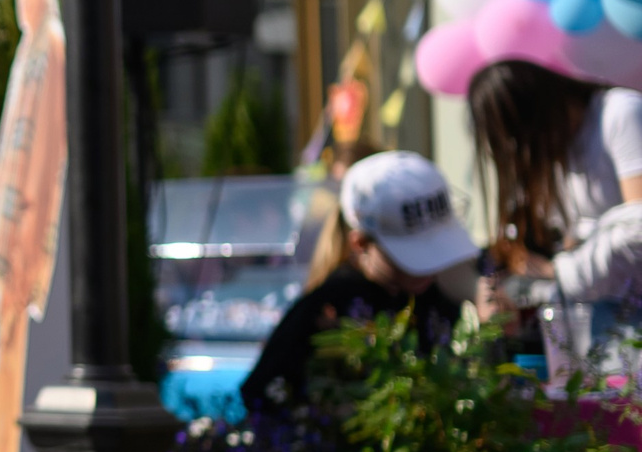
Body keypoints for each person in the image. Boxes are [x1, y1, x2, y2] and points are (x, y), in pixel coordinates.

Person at [241, 152, 473, 412]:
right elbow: (260, 392)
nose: (431, 264)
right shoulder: (329, 305)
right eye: (416, 251)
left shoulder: (430, 295)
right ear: (360, 244)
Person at [468, 61, 642, 303]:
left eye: (521, 140)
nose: (524, 153)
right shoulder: (556, 151)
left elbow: (638, 228)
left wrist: (560, 271)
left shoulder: (620, 114)